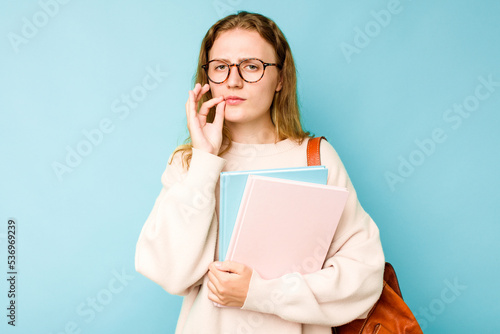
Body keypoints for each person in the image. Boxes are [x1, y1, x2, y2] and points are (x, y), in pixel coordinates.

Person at [135, 11, 385, 334]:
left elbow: (363, 277)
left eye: (251, 66)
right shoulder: (190, 164)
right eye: (220, 67)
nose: (233, 81)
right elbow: (168, 271)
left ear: (280, 79)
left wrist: (261, 294)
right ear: (207, 77)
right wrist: (204, 160)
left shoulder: (315, 158)